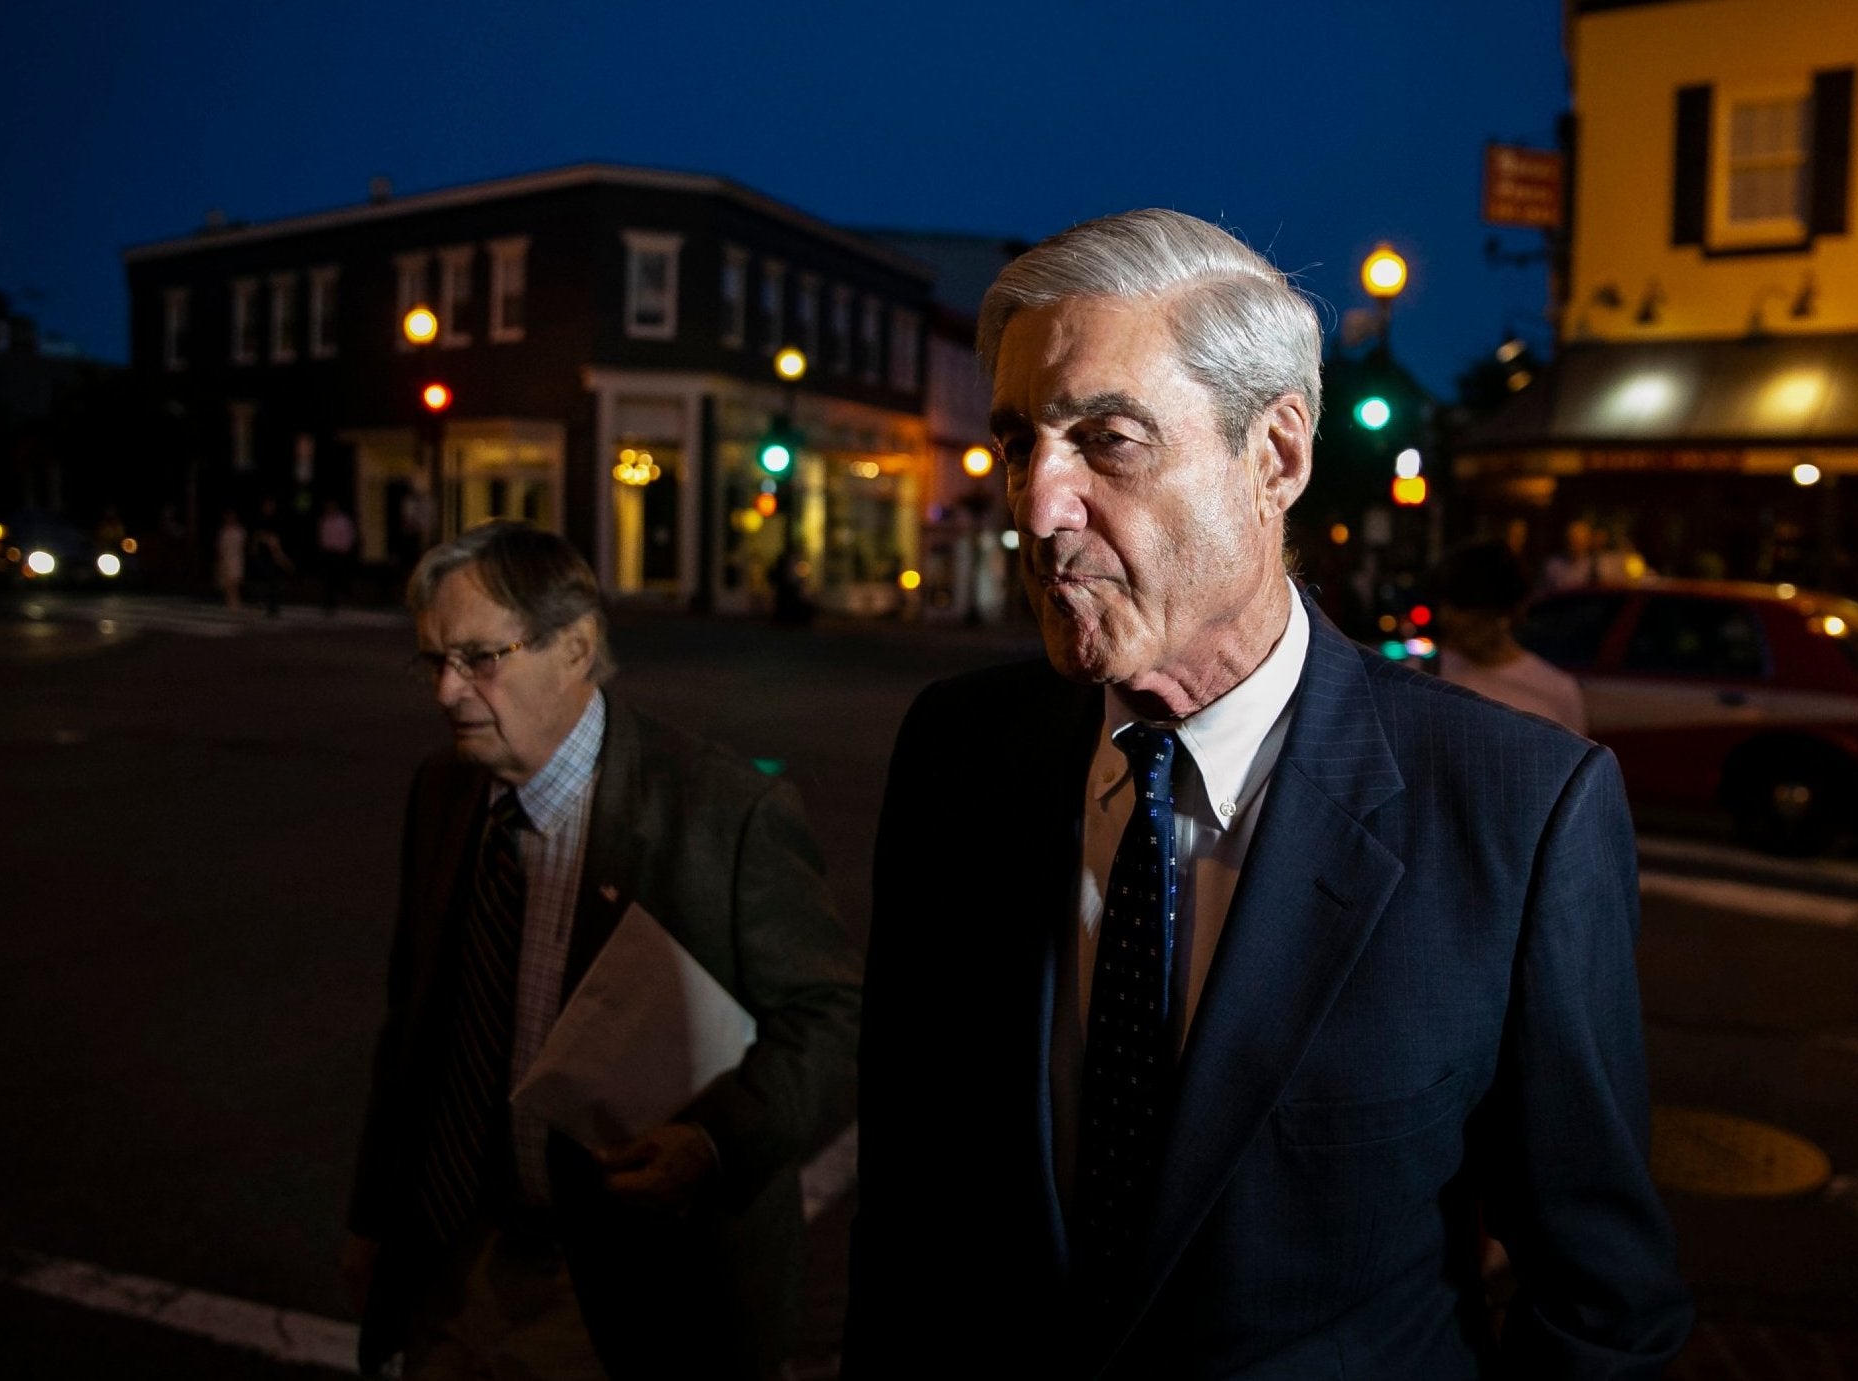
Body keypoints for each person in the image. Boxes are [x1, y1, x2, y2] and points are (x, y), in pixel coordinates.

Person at [846, 210, 1690, 1378]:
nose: (1036, 507)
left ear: (1277, 456)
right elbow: (908, 1206)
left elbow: (1602, 1300)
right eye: (1016, 442)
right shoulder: (959, 750)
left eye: (1109, 439)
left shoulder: (1518, 809)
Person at [345, 521, 861, 1380]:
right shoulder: (443, 791)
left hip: (634, 1289)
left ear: (576, 645)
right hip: (457, 1260)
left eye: (479, 657)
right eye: (433, 660)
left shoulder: (721, 811)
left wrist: (711, 1141)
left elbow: (831, 1016)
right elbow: (411, 1028)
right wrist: (373, 1219)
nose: (446, 690)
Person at [1432, 539, 1588, 734]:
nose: (1448, 618)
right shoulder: (1422, 676)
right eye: (1444, 604)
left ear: (1506, 612)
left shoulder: (1556, 692)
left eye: (1463, 605)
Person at [318, 498, 359, 612]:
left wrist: (346, 548)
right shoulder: (324, 520)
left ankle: (346, 599)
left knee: (341, 578)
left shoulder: (343, 520)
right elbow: (322, 536)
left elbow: (349, 535)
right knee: (328, 579)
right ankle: (329, 603)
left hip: (340, 553)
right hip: (328, 552)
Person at [215, 507, 246, 611]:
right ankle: (231, 604)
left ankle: (236, 603)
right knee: (228, 583)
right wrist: (221, 560)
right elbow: (220, 547)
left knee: (235, 582)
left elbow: (242, 545)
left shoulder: (239, 531)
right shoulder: (223, 532)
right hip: (226, 559)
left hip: (236, 558)